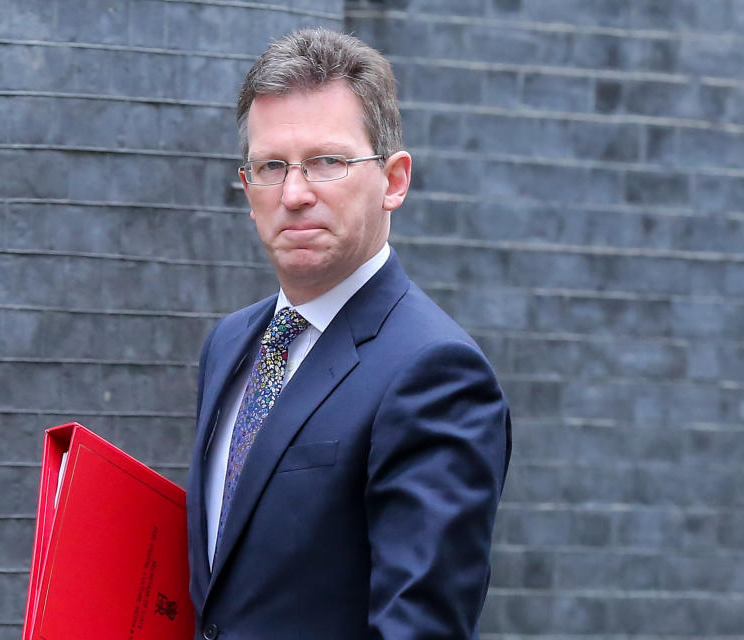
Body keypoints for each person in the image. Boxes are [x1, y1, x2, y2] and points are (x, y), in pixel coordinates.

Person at [185, 28, 511, 640]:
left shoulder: (434, 372)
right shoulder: (228, 345)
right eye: (270, 166)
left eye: (327, 162)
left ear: (393, 180)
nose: (295, 193)